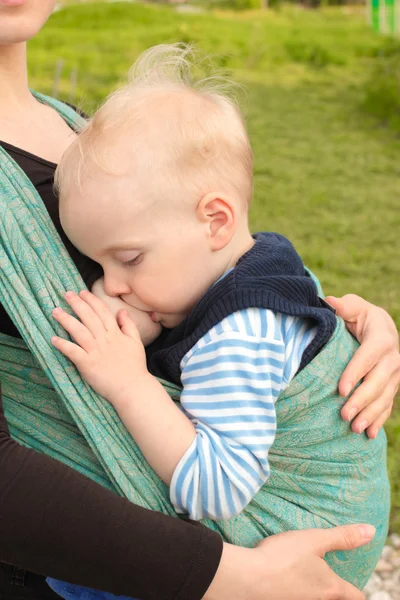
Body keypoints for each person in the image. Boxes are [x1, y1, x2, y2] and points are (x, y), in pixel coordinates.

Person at [0, 3, 398, 600]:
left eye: (126, 262)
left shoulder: (83, 135)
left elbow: (225, 287)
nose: (109, 288)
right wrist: (237, 579)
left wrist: (345, 328)